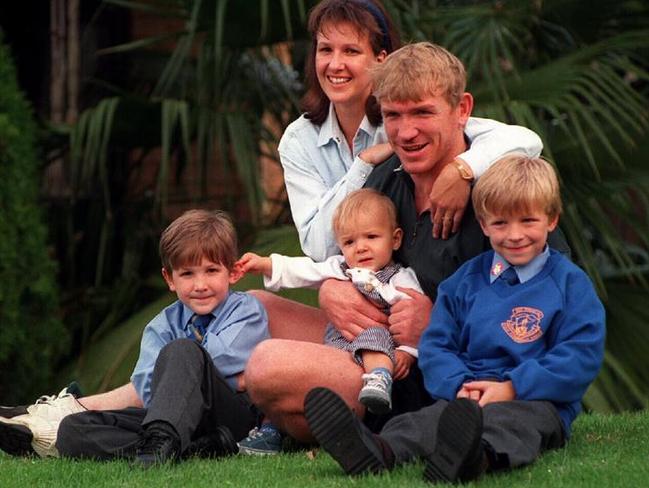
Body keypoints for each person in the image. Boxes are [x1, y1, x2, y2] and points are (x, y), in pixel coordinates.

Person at [245, 41, 571, 444]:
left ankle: (318, 423)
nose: (407, 131)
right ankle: (278, 420)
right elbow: (349, 254)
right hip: (375, 346)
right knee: (252, 311)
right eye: (394, 115)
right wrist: (334, 289)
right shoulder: (386, 179)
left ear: (462, 110)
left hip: (431, 373)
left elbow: (550, 312)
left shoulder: (505, 192)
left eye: (422, 112)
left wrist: (437, 324)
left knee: (267, 365)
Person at [302, 153, 605, 484]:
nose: (514, 235)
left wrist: (512, 387)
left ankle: (475, 457)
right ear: (484, 223)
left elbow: (579, 356)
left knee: (513, 425)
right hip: (465, 394)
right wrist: (459, 385)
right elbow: (437, 344)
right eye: (501, 223)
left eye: (527, 221)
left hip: (534, 399)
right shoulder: (465, 281)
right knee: (421, 422)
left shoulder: (569, 284)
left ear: (551, 220)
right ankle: (377, 451)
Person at [0, 209, 269, 466]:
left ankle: (163, 443)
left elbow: (217, 368)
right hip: (175, 417)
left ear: (232, 272)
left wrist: (177, 370)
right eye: (187, 273)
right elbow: (148, 388)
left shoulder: (246, 311)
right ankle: (193, 448)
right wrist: (174, 385)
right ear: (170, 278)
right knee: (73, 429)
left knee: (183, 351)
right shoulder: (161, 325)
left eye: (211, 271)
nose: (200, 285)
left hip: (229, 418)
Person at [237, 189, 422, 453]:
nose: (361, 247)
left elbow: (412, 323)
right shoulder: (340, 268)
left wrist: (407, 352)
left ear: (395, 239)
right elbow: (303, 271)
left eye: (371, 237)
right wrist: (266, 264)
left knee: (374, 335)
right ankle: (270, 430)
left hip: (380, 350)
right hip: (339, 349)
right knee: (313, 360)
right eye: (349, 242)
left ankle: (379, 380)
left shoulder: (400, 278)